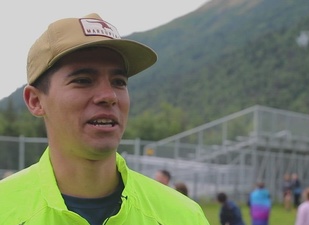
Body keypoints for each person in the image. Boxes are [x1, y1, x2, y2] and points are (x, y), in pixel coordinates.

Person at [0, 13, 210, 225]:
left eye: (118, 82)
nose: (109, 96)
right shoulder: (5, 209)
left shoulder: (183, 215)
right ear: (35, 101)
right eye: (83, 80)